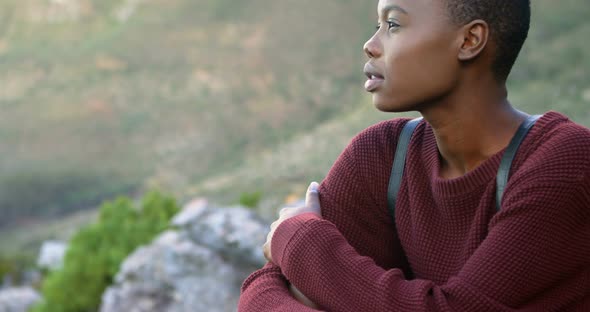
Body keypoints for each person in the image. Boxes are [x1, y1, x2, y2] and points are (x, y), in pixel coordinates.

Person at [238, 0, 590, 310]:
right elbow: (262, 292)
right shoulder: (382, 155)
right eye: (377, 26)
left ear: (469, 41)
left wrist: (298, 238)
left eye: (393, 25)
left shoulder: (564, 163)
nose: (370, 46)